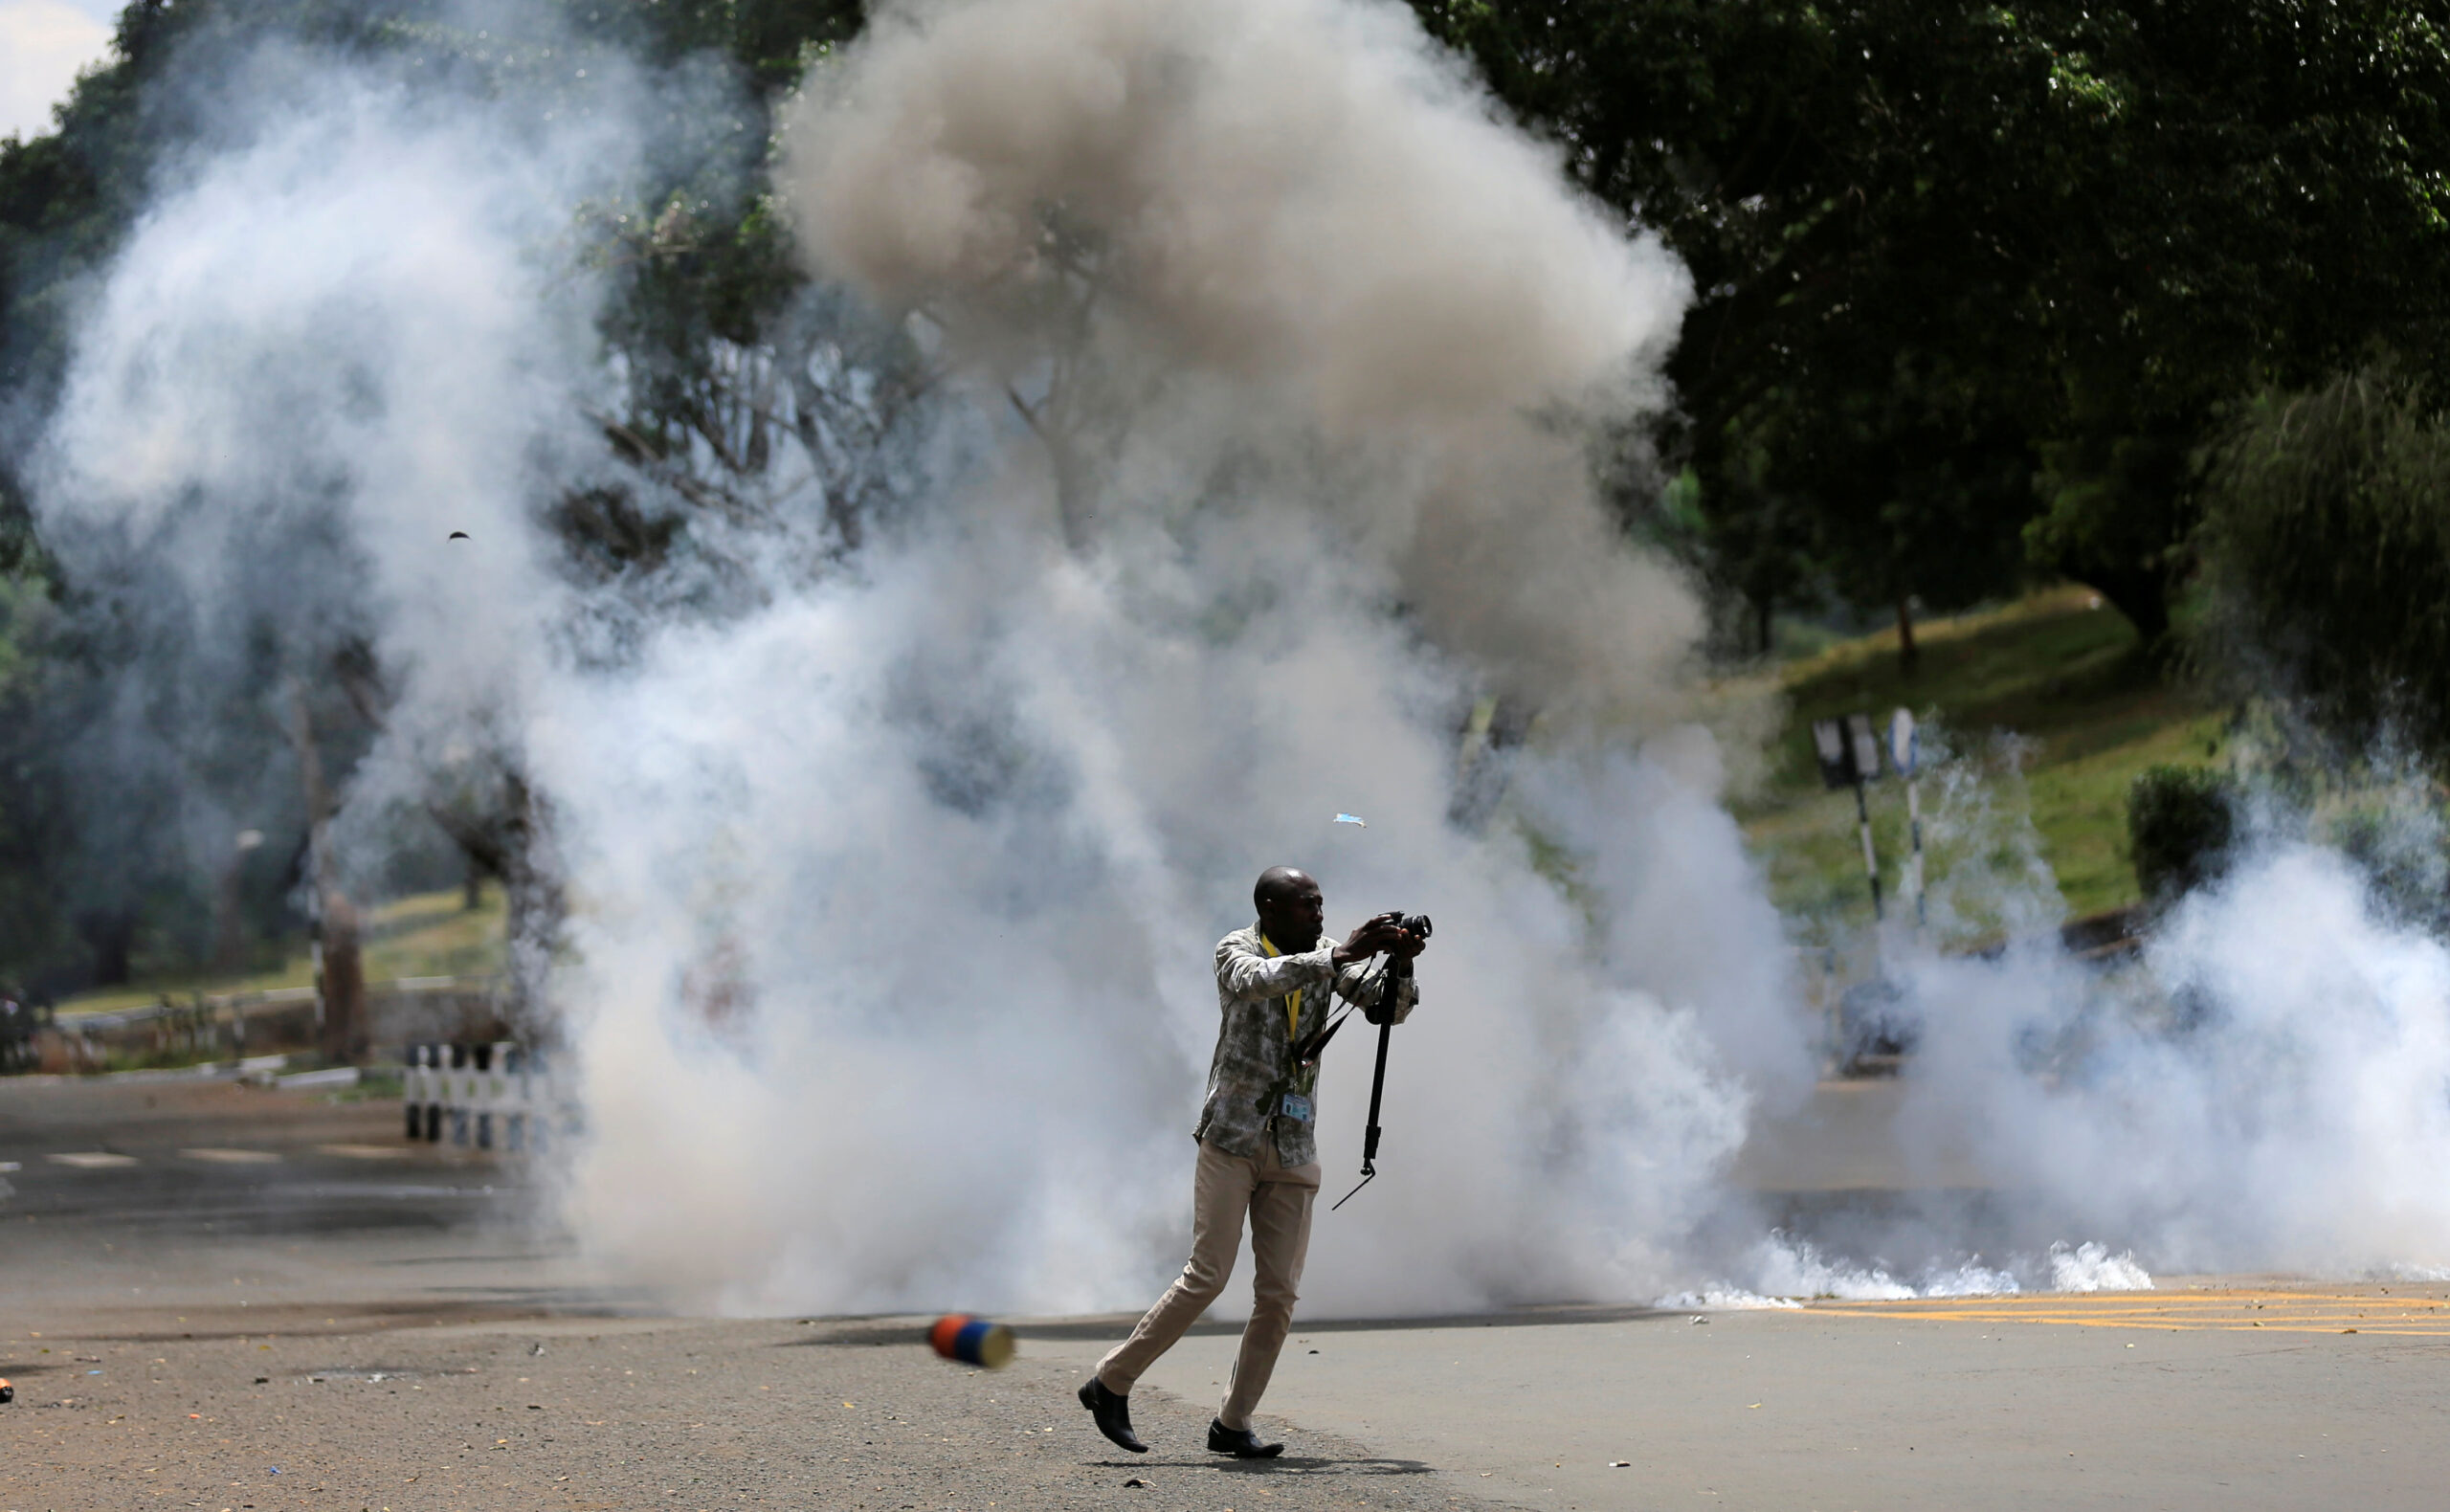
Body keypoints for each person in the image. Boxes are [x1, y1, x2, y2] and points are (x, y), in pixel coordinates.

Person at [1080, 866, 1425, 1458]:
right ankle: (1110, 1382)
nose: (1318, 916)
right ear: (1269, 908)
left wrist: (1402, 962)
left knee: (1279, 1295)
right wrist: (1341, 953)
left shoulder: (1326, 955)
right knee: (1207, 1275)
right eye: (1307, 906)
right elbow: (1256, 981)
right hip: (1233, 1138)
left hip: (1293, 1143)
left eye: (1321, 906)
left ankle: (1233, 1422)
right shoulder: (1236, 949)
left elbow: (1387, 1013)